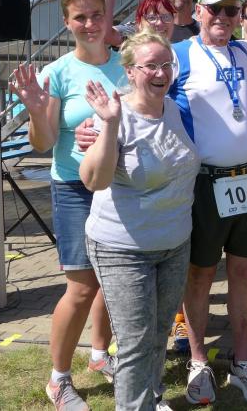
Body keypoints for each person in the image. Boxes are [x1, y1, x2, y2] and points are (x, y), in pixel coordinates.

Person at [9, 0, 121, 411]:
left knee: (111, 280)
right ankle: (58, 379)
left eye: (96, 15)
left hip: (119, 186)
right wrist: (38, 112)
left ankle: (99, 354)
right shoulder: (57, 73)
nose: (89, 24)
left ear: (105, 16)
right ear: (66, 22)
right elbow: (44, 142)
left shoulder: (125, 65)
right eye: (80, 18)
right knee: (81, 286)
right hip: (75, 188)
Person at [172, 0, 247, 405]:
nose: (223, 17)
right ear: (198, 11)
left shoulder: (246, 50)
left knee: (244, 272)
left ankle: (242, 361)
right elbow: (137, 86)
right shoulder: (178, 54)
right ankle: (198, 361)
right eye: (215, 9)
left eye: (232, 10)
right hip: (203, 182)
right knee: (200, 274)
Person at [80, 31, 200, 410]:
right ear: (130, 71)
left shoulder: (174, 110)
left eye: (166, 64)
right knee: (135, 341)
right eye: (150, 66)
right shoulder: (113, 115)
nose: (161, 73)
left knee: (160, 331)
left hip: (174, 243)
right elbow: (94, 180)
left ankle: (152, 397)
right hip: (122, 248)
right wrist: (109, 124)